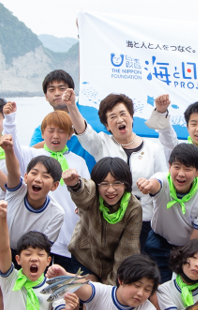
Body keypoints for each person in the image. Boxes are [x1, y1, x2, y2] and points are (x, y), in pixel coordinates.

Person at [60, 91, 167, 234]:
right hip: (107, 220)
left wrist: (151, 185)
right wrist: (72, 106)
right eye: (113, 117)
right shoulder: (101, 143)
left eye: (123, 114)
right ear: (107, 126)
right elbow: (84, 132)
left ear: (131, 117)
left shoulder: (153, 148)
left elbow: (163, 181)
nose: (119, 119)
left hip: (144, 221)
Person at [136, 143, 198, 282]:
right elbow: (155, 183)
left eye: (188, 169)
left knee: (188, 284)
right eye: (177, 167)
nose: (181, 174)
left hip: (188, 246)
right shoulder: (163, 180)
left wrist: (188, 259)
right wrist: (148, 185)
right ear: (169, 167)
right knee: (156, 285)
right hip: (159, 241)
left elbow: (197, 237)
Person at [62, 158, 143, 281]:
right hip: (85, 256)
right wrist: (75, 185)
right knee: (88, 289)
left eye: (117, 183)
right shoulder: (92, 194)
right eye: (104, 184)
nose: (110, 190)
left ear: (126, 184)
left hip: (112, 263)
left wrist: (113, 285)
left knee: (111, 290)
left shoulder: (133, 208)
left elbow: (127, 250)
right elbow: (83, 194)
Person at [30, 110, 90, 272]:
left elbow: (89, 196)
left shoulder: (79, 161)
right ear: (43, 133)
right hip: (38, 233)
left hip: (69, 234)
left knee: (65, 281)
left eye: (62, 131)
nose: (56, 136)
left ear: (70, 134)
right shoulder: (34, 157)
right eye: (51, 131)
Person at [0, 141, 67, 256]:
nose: (38, 179)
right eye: (34, 173)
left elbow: (41, 249)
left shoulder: (57, 213)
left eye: (45, 176)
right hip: (2, 248)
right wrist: (9, 150)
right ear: (26, 177)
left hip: (32, 255)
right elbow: (13, 172)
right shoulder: (17, 191)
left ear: (55, 185)